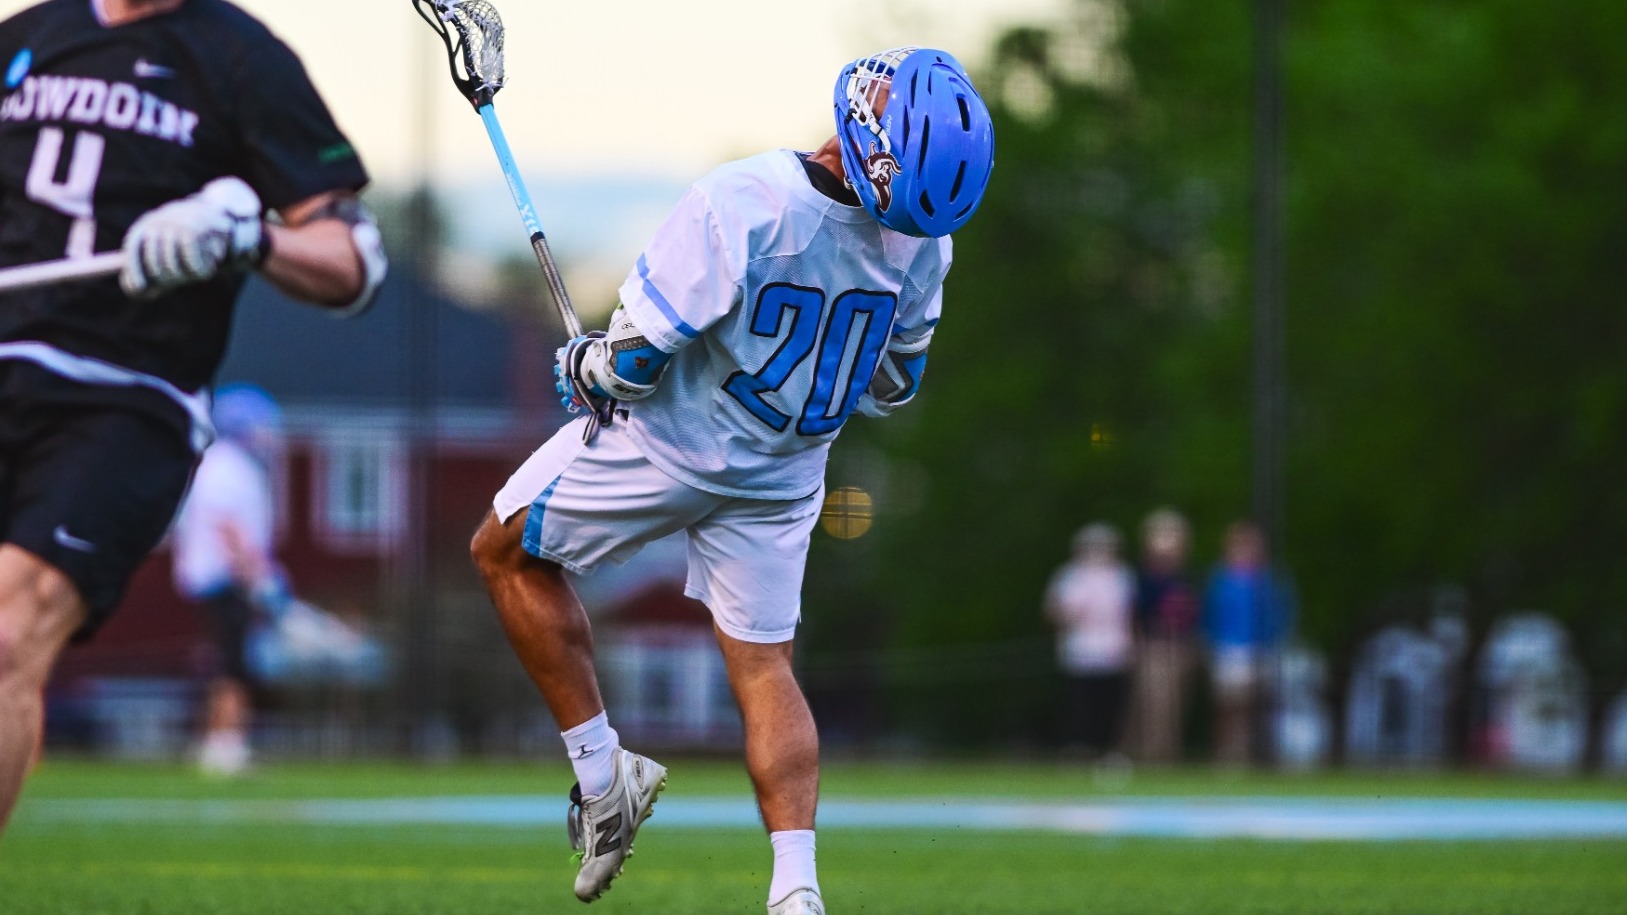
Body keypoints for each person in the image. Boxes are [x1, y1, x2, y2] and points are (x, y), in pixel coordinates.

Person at [470, 46, 994, 914]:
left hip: (668, 443)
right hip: (786, 473)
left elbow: (637, 362)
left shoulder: (743, 198)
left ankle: (604, 778)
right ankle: (796, 889)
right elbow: (895, 384)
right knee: (763, 667)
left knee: (503, 550)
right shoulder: (923, 248)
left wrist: (590, 364)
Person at [0, 0, 386, 832]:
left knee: (7, 630)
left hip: (123, 396)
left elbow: (353, 260)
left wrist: (247, 239)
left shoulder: (241, 58)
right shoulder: (25, 40)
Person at [168, 384, 284, 776]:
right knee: (234, 664)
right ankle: (225, 744)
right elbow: (228, 526)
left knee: (223, 662)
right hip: (225, 576)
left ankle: (217, 741)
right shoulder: (228, 466)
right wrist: (257, 576)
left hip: (219, 576)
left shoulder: (220, 465)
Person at [1202, 520, 1294, 766]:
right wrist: (1211, 642)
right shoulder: (1221, 579)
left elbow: (1282, 612)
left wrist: (1274, 639)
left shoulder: (1270, 579)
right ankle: (1228, 752)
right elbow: (1210, 614)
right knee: (1228, 704)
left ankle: (1256, 752)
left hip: (1262, 649)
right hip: (1229, 648)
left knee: (1258, 704)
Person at [1043, 523, 1136, 759]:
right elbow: (1054, 610)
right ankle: (1078, 748)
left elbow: (1130, 613)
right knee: (1080, 703)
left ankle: (1109, 751)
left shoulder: (1122, 576)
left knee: (1110, 705)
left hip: (1114, 651)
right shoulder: (1069, 576)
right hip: (1080, 651)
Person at [1130, 507, 1199, 764]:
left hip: (1182, 647)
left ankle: (1167, 755)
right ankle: (1150, 755)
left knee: (1174, 705)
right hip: (1153, 646)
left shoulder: (1188, 574)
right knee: (1153, 703)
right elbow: (1134, 612)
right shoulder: (1144, 576)